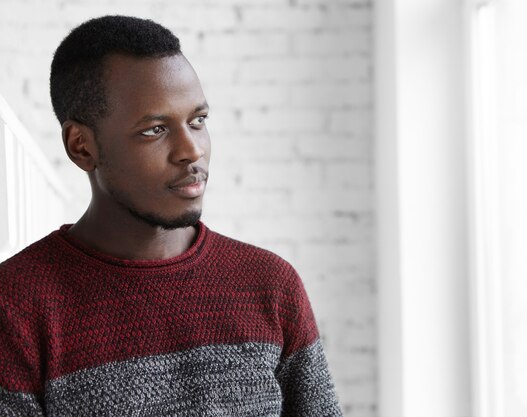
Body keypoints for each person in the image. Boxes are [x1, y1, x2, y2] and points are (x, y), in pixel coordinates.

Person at [0, 15, 342, 416]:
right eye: (155, 130)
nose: (191, 151)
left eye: (197, 121)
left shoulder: (271, 285)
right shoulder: (16, 305)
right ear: (82, 147)